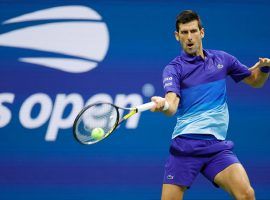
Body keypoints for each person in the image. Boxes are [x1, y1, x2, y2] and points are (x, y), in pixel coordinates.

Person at [151, 10, 270, 200]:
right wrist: (164, 105)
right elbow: (172, 105)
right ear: (177, 36)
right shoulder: (174, 69)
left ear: (202, 32)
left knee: (247, 194)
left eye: (193, 31)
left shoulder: (223, 60)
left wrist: (264, 69)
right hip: (186, 147)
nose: (189, 37)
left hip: (216, 147)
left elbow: (255, 80)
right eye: (184, 33)